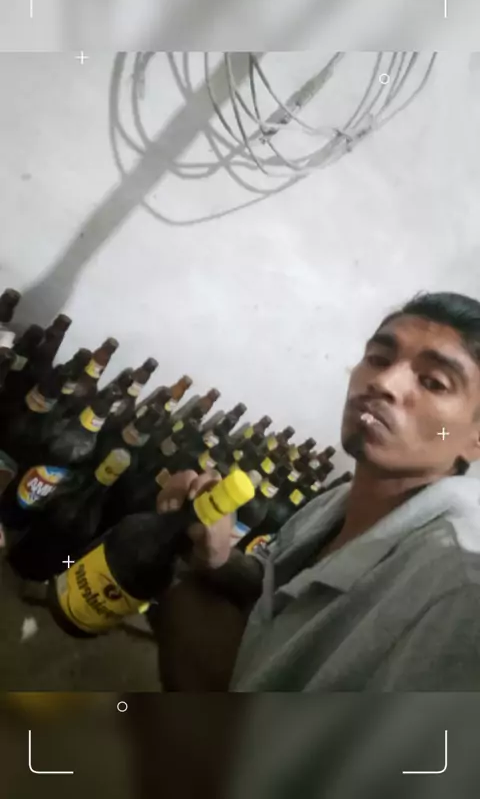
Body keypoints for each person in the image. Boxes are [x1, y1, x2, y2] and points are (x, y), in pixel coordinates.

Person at [150, 291, 480, 691]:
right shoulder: (339, 502)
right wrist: (216, 554)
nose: (382, 383)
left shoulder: (457, 590)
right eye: (379, 358)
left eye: (433, 382)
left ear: (475, 439)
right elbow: (272, 585)